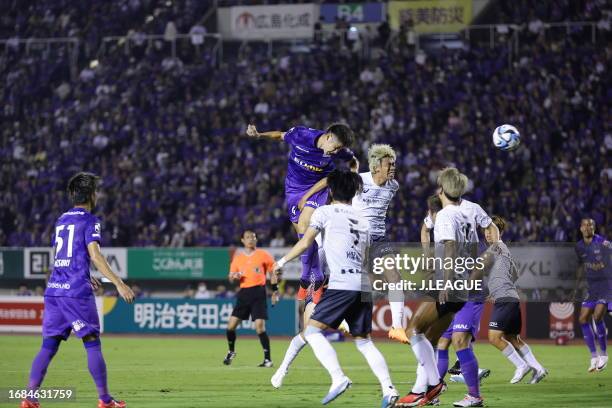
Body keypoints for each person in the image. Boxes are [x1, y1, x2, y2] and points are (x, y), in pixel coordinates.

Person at [272, 144, 402, 389]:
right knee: (360, 340)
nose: (393, 169)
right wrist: (307, 195)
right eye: (389, 164)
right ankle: (388, 387)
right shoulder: (354, 214)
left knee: (310, 330)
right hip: (351, 277)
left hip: (344, 278)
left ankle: (337, 374)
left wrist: (280, 262)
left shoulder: (330, 215)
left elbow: (305, 241)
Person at [21, 172, 135, 408]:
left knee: (48, 345)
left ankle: (29, 398)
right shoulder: (90, 220)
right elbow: (95, 255)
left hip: (54, 290)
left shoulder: (61, 219)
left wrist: (87, 275)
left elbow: (66, 255)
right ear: (92, 194)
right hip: (75, 292)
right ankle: (105, 400)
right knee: (92, 341)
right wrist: (119, 283)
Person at [397, 168, 498, 408]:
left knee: (414, 330)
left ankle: (434, 384)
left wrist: (444, 281)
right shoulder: (464, 214)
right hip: (463, 284)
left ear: (441, 190)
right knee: (433, 339)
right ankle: (419, 391)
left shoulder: (444, 216)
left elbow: (450, 248)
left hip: (450, 282)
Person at [246, 123, 357, 303]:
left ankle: (308, 278)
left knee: (306, 222)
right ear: (328, 137)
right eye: (335, 147)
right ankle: (313, 277)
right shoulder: (301, 135)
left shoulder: (339, 151)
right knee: (303, 235)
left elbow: (353, 161)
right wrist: (259, 135)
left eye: (339, 149)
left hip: (319, 187)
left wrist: (354, 177)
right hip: (294, 188)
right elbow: (280, 135)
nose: (335, 152)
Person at [477, 215, 547, 383]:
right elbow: (515, 273)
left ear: (499, 232)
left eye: (491, 230)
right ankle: (538, 368)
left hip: (505, 299)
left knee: (493, 337)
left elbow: (478, 267)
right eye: (485, 230)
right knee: (513, 338)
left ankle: (521, 365)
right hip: (510, 297)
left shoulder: (495, 247)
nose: (487, 234)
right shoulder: (504, 250)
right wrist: (497, 287)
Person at [223, 230, 278, 367]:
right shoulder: (238, 258)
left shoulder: (263, 255)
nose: (251, 239)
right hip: (244, 293)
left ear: (256, 239)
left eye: (253, 237)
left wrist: (275, 291)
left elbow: (273, 272)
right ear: (242, 240)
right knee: (230, 327)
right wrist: (233, 277)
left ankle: (267, 359)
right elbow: (231, 277)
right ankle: (231, 351)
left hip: (259, 292)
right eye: (248, 237)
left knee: (259, 326)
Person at [574, 218, 611, 372]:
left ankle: (604, 355)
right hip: (592, 287)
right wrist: (576, 286)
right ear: (581, 228)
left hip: (606, 285)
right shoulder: (579, 246)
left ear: (594, 228)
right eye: (585, 225)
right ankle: (594, 356)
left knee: (597, 317)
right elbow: (581, 266)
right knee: (583, 318)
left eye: (591, 225)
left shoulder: (602, 243)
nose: (588, 227)